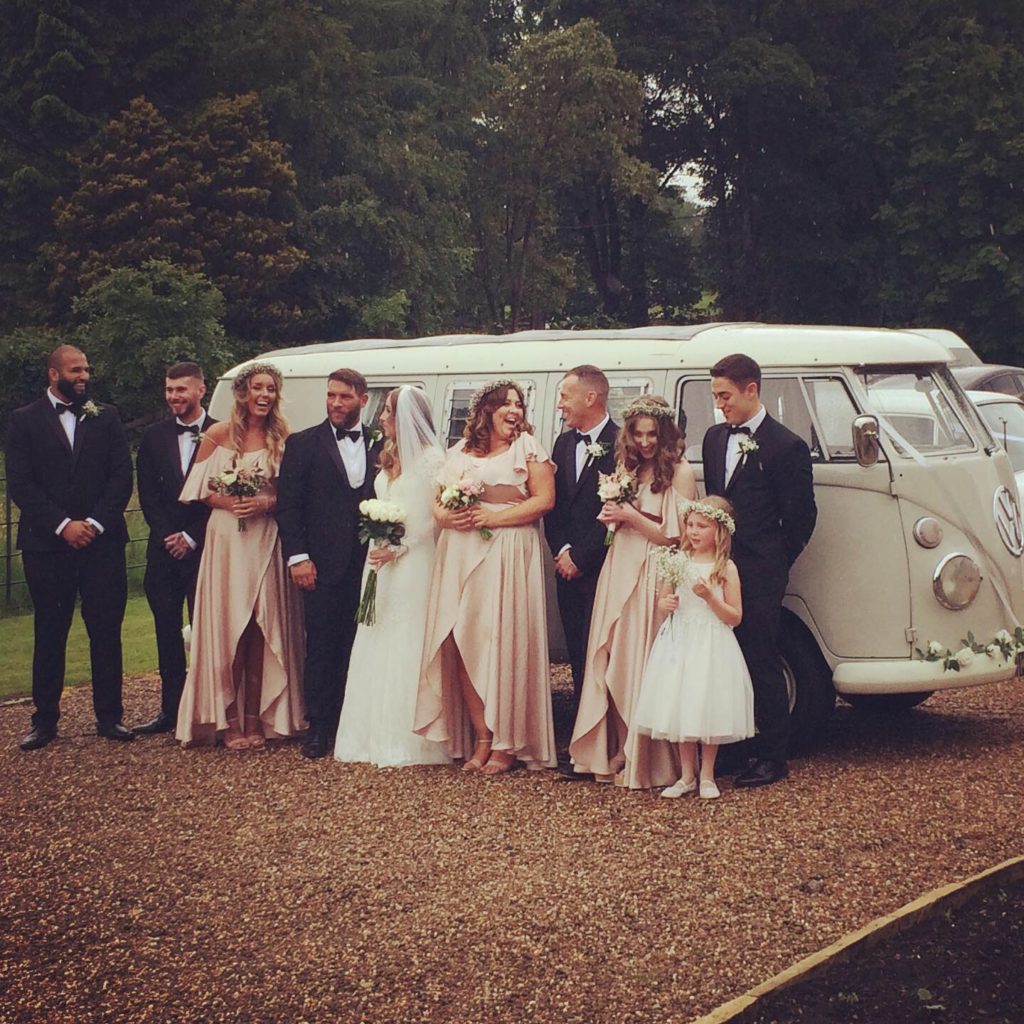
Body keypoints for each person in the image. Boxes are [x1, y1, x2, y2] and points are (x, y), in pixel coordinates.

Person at [415, 379, 557, 774]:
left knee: (500, 642)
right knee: (462, 640)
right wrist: (446, 516)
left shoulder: (527, 447)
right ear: (486, 411)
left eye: (519, 404)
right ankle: (481, 737)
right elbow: (437, 505)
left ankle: (507, 740)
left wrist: (496, 517)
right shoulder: (459, 451)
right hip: (460, 553)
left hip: (507, 553)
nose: (514, 410)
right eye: (506, 404)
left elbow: (544, 500)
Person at [7, 344, 134, 750]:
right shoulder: (23, 420)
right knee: (50, 631)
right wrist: (63, 526)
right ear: (53, 374)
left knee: (105, 630)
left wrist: (94, 523)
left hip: (102, 543)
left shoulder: (107, 416)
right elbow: (22, 484)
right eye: (76, 370)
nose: (84, 376)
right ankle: (44, 721)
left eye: (86, 370)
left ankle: (110, 717)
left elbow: (120, 477)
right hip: (48, 545)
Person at [568, 396, 696, 786]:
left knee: (640, 663)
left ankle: (645, 759)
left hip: (653, 570)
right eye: (638, 434)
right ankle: (621, 749)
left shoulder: (680, 471)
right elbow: (616, 523)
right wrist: (611, 518)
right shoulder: (626, 467)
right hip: (618, 566)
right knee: (614, 658)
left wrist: (630, 516)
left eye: (652, 434)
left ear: (665, 433)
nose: (645, 442)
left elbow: (678, 538)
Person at [176, 362, 305, 749]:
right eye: (257, 388)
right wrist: (230, 503)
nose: (264, 395)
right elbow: (198, 491)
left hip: (266, 537)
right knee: (228, 626)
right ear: (243, 393)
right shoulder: (216, 435)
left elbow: (292, 495)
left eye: (270, 389)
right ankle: (229, 721)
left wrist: (266, 504)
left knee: (260, 629)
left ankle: (255, 720)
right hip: (227, 541)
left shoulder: (284, 438)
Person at [703, 353, 817, 788]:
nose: (720, 405)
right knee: (723, 661)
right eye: (716, 396)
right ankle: (733, 748)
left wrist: (774, 563)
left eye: (725, 395)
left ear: (752, 390)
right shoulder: (714, 439)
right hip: (719, 569)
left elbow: (801, 518)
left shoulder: (786, 446)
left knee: (761, 660)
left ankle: (772, 756)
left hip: (762, 574)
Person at [334, 386, 451, 767]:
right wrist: (379, 542)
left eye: (388, 411)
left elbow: (437, 520)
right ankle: (370, 733)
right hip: (380, 564)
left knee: (408, 639)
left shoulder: (434, 461)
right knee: (376, 633)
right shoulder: (388, 456)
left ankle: (412, 736)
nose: (382, 418)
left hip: (415, 563)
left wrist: (399, 547)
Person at [276, 368, 382, 759]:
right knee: (321, 643)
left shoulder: (381, 443)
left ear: (363, 400)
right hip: (320, 563)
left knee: (363, 643)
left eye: (345, 397)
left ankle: (355, 722)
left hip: (372, 564)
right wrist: (298, 557)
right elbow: (289, 508)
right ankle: (318, 726)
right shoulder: (302, 444)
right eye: (331, 396)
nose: (336, 403)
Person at [630, 497, 755, 799]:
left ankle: (708, 775)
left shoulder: (725, 568)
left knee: (707, 702)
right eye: (690, 525)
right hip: (680, 641)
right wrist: (666, 603)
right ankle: (687, 775)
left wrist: (710, 598)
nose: (694, 531)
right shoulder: (677, 561)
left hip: (711, 642)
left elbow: (735, 617)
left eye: (702, 526)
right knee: (681, 702)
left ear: (719, 531)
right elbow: (663, 602)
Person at [134, 362, 216, 735]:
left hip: (207, 549)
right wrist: (171, 535)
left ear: (201, 390)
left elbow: (223, 495)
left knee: (207, 630)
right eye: (169, 390)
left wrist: (192, 536)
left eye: (180, 390)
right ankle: (170, 710)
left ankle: (208, 710)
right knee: (166, 632)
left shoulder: (222, 432)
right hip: (163, 551)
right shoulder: (153, 436)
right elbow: (148, 494)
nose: (173, 397)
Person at [545, 365, 619, 714]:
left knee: (606, 653)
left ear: (590, 398)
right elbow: (554, 505)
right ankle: (582, 735)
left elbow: (619, 511)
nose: (560, 404)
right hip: (566, 568)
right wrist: (561, 551)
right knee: (577, 652)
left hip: (605, 567)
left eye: (564, 396)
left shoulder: (622, 444)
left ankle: (607, 738)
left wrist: (582, 558)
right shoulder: (562, 443)